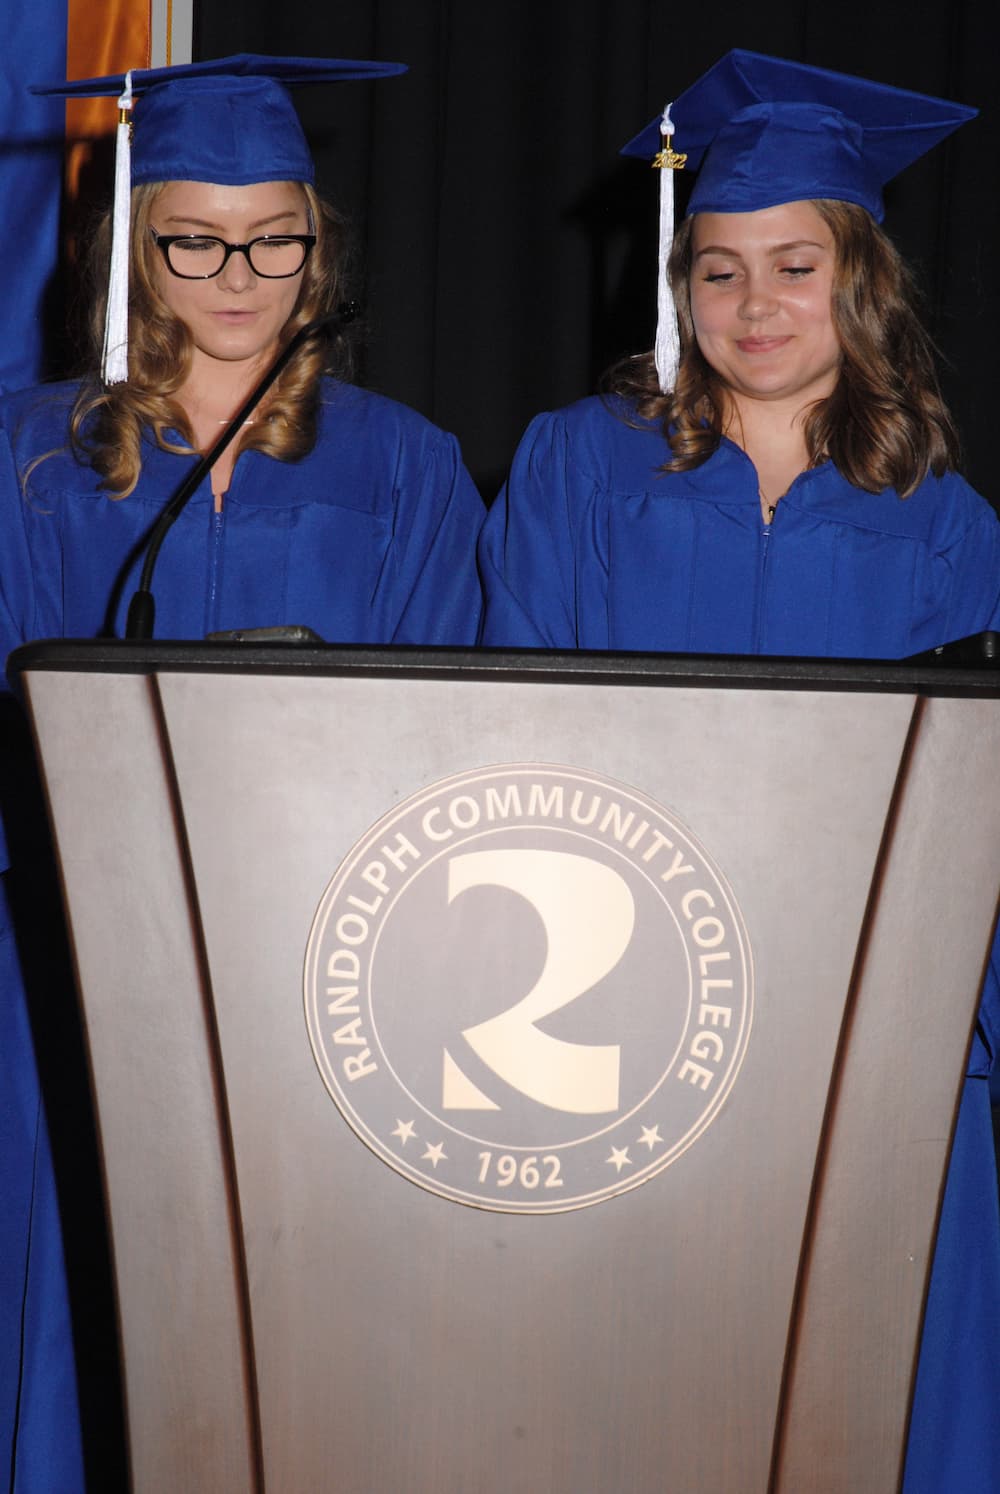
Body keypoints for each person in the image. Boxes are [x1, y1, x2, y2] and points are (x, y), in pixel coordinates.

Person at [479, 50, 1000, 1494]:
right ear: (677, 284)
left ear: (864, 283)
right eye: (718, 270)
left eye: (793, 265)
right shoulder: (582, 468)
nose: (754, 306)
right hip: (624, 1027)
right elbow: (507, 731)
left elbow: (979, 822)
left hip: (869, 1039)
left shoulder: (949, 525)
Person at [0, 54, 484, 1489]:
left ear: (317, 245)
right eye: (194, 238)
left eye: (276, 238)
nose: (238, 274)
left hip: (314, 983)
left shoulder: (404, 464)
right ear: (134, 248)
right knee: (76, 1318)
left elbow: (444, 724)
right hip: (74, 968)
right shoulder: (36, 457)